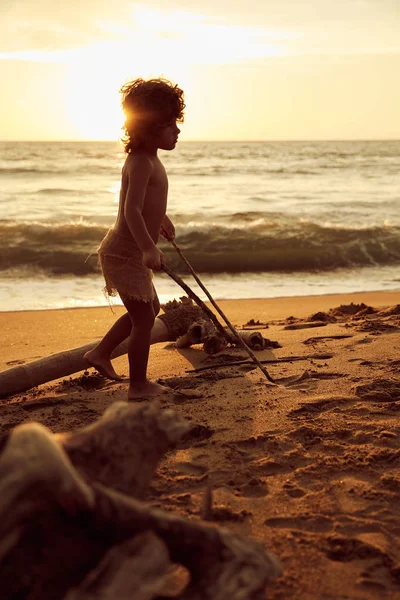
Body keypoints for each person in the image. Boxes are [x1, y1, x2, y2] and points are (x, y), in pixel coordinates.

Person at [84, 77, 185, 399]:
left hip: (128, 250)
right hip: (124, 252)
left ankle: (100, 353)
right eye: (170, 126)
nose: (178, 131)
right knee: (144, 319)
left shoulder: (151, 159)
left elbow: (145, 206)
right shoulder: (141, 161)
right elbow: (130, 210)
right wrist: (146, 246)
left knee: (149, 309)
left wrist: (160, 221)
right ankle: (138, 386)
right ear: (151, 128)